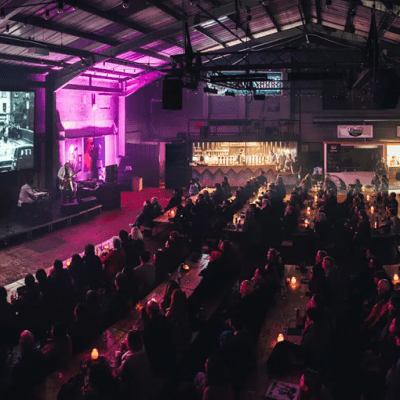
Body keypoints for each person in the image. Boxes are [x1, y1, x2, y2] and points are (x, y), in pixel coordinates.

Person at [115, 330, 151, 397]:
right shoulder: (143, 347)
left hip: (138, 388)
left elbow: (117, 372)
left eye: (126, 340)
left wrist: (119, 355)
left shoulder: (129, 360)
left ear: (130, 343)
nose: (125, 341)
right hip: (147, 378)